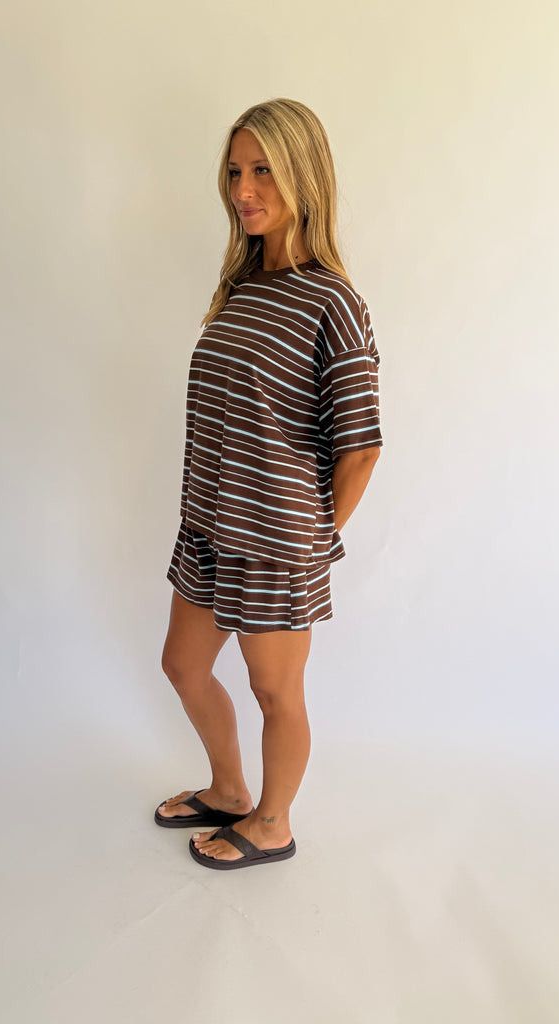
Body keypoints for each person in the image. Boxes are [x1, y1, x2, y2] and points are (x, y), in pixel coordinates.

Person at [155, 98, 383, 870]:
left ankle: (272, 824)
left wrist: (310, 543)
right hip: (210, 525)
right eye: (234, 172)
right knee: (183, 667)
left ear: (303, 177)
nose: (243, 190)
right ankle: (229, 790)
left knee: (275, 693)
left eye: (262, 171)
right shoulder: (242, 285)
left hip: (277, 541)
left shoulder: (334, 303)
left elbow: (361, 447)